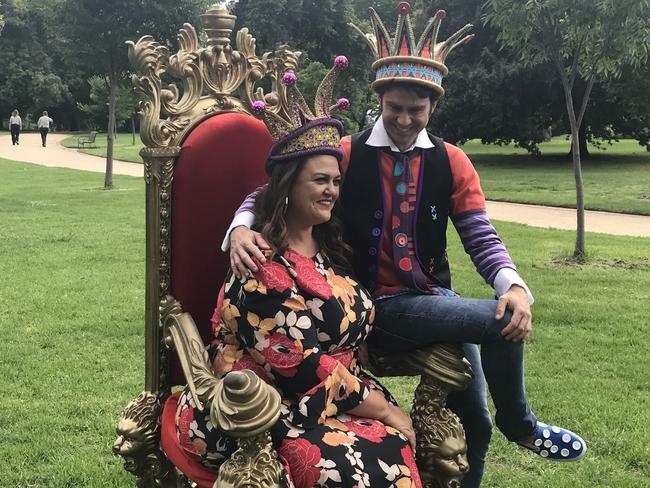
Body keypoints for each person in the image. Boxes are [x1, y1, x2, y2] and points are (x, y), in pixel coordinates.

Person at [224, 3, 586, 487]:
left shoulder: (452, 161)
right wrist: (240, 228)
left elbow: (480, 236)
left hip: (438, 302)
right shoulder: (347, 153)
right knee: (500, 322)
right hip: (376, 305)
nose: (403, 119)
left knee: (473, 418)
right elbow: (271, 191)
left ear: (433, 107)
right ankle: (521, 424)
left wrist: (513, 283)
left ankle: (496, 438)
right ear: (380, 101)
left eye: (416, 110)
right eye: (394, 108)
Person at [175, 56, 423, 488]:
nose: (332, 191)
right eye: (319, 181)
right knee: (348, 466)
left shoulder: (329, 246)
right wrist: (381, 408)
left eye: (336, 181)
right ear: (288, 187)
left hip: (335, 394)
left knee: (392, 448)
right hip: (264, 406)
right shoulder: (259, 263)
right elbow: (295, 364)